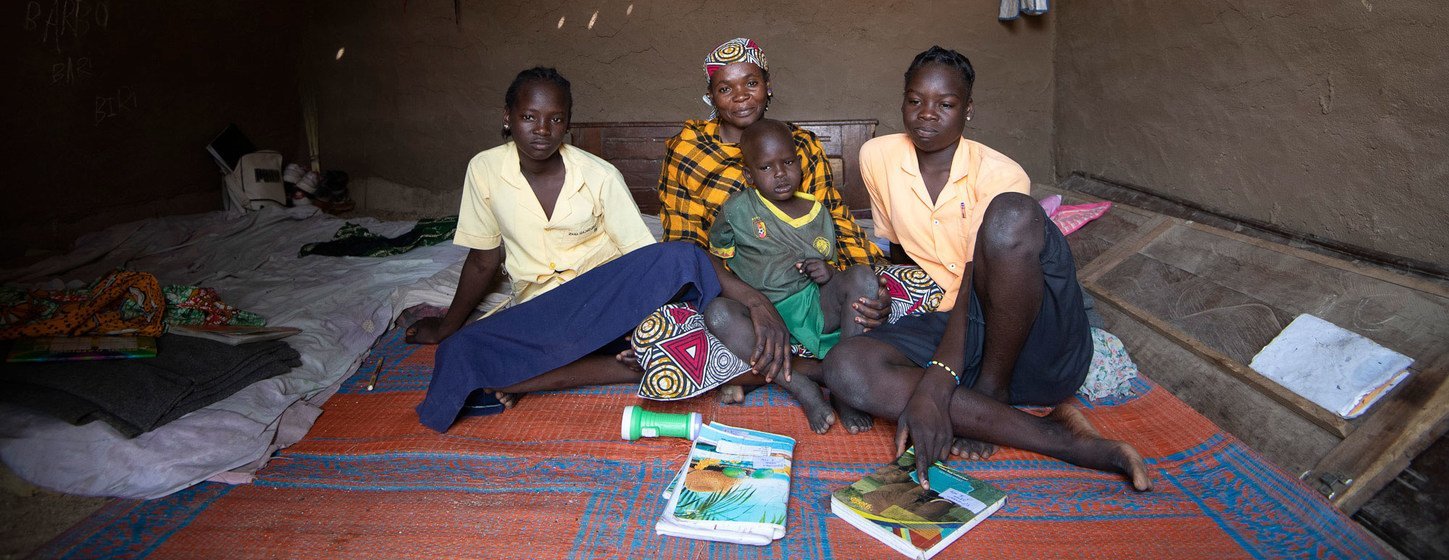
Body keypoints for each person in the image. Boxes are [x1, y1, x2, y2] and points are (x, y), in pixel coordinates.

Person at [823, 47, 1151, 491]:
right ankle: (1053, 431)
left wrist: (939, 385)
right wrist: (891, 295)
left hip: (1027, 333)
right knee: (845, 367)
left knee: (1011, 214)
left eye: (946, 104)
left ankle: (993, 400)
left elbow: (979, 282)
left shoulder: (1000, 172)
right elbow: (899, 251)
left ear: (968, 110)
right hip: (953, 325)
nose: (926, 115)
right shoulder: (879, 157)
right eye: (915, 100)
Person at [408, 67, 721, 432]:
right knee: (458, 352)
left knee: (675, 267)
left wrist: (649, 322)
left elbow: (643, 263)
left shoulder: (599, 175)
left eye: (555, 119)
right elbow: (483, 260)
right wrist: (449, 328)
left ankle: (533, 374)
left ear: (568, 124)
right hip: (542, 310)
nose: (542, 129)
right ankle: (626, 364)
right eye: (529, 117)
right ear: (507, 118)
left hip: (604, 305)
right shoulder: (485, 169)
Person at [653, 37, 897, 433]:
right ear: (711, 98)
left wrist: (868, 284)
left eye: (751, 83)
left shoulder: (800, 145)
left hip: (807, 289)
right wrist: (750, 300)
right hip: (731, 288)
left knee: (895, 293)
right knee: (668, 332)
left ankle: (835, 379)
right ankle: (809, 377)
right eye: (725, 89)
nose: (741, 97)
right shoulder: (689, 149)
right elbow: (687, 246)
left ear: (769, 85)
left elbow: (832, 220)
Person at [705, 119, 879, 433]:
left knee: (863, 278)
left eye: (787, 163)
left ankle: (845, 385)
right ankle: (801, 386)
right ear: (749, 175)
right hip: (763, 319)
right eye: (766, 168)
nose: (781, 174)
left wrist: (828, 272)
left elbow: (832, 272)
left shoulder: (818, 211)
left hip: (812, 306)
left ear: (799, 163)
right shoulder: (737, 211)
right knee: (717, 314)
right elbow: (716, 257)